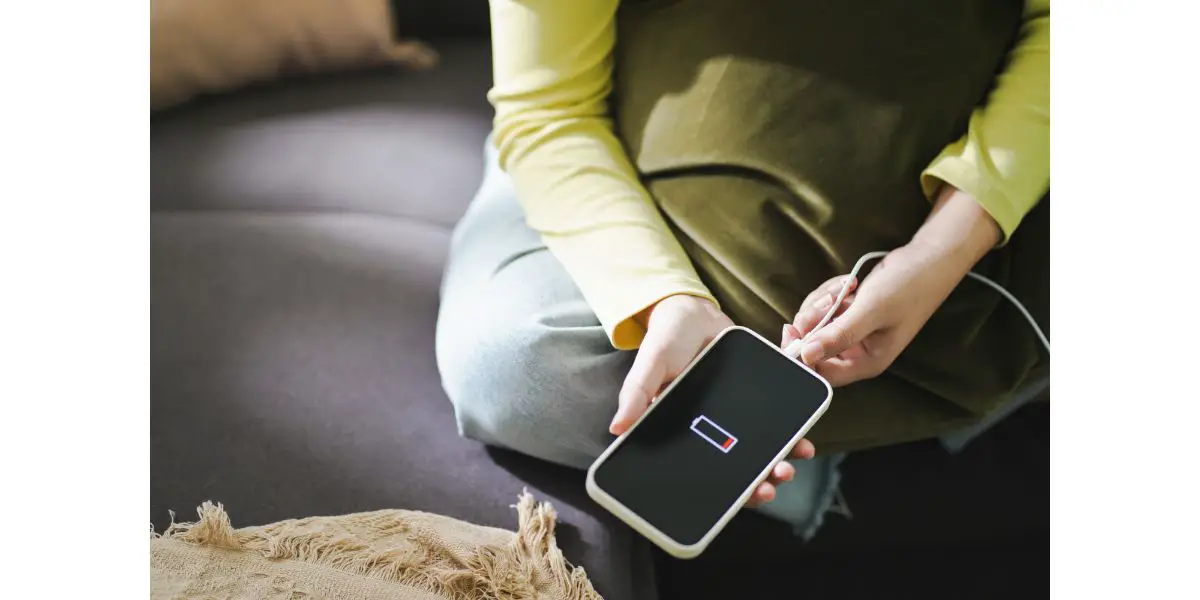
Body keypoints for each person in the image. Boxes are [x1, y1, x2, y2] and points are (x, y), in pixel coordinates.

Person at [436, 0, 1049, 532]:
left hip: (969, 244)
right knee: (510, 366)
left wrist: (943, 251)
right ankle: (811, 456)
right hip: (602, 174)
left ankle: (765, 441)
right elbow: (550, 113)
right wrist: (665, 299)